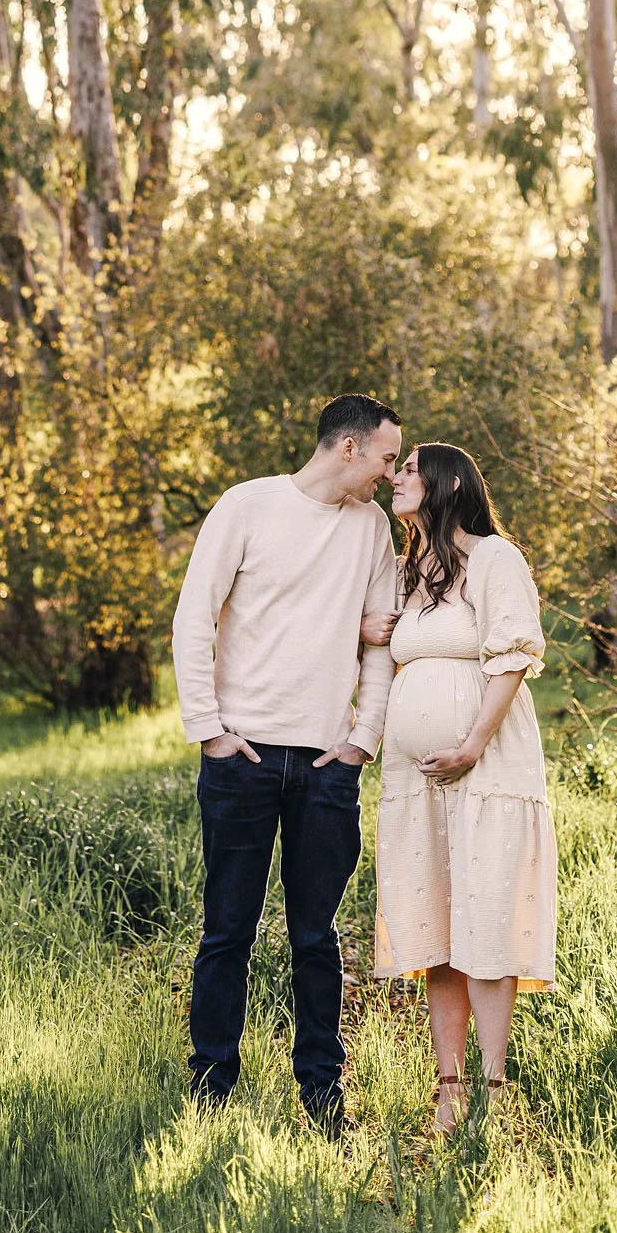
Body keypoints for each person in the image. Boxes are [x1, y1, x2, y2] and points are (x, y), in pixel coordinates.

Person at [171, 393, 403, 1131]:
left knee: (317, 937)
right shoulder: (247, 507)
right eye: (386, 458)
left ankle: (324, 1096)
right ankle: (211, 1089)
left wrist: (363, 739)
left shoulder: (372, 529)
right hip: (240, 756)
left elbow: (380, 643)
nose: (390, 473)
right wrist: (209, 730)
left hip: (327, 763)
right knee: (227, 931)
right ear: (348, 447)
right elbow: (192, 617)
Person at [363, 441, 557, 1133]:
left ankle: (494, 1090)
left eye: (410, 469)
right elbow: (374, 652)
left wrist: (472, 744)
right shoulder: (403, 571)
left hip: (488, 767)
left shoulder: (495, 559)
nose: (396, 478)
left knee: (488, 921)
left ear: (447, 484)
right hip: (416, 783)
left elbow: (515, 655)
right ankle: (449, 1089)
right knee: (437, 927)